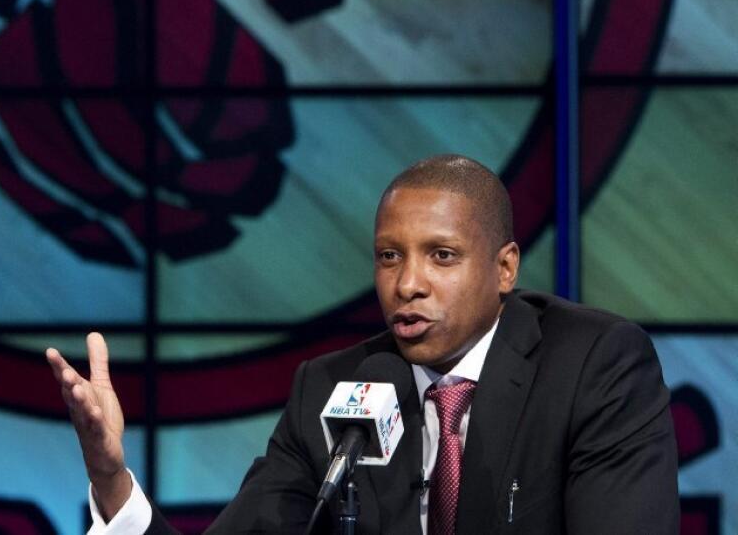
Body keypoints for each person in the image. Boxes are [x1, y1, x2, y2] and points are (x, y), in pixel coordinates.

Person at [47, 154, 679, 534]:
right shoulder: (338, 389)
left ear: (505, 268)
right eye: (388, 256)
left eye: (442, 256)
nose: (408, 284)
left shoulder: (593, 365)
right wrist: (110, 479)